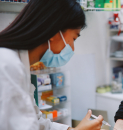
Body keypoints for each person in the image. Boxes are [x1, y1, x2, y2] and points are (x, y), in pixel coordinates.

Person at [0, 0, 104, 130]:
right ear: (55, 32)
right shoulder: (8, 65)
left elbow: (36, 122)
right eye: (74, 39)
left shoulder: (19, 66)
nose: (72, 48)